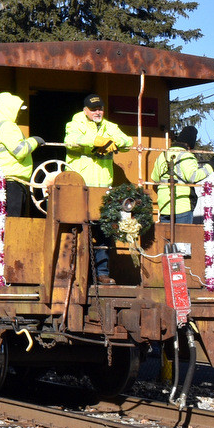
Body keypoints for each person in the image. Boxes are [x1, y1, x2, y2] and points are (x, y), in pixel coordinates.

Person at [64, 93, 133, 284]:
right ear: (85, 110)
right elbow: (71, 139)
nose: (97, 112)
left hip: (103, 190)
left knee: (103, 232)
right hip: (80, 188)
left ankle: (102, 273)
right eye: (93, 109)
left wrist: (114, 142)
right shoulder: (75, 123)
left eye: (100, 108)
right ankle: (75, 272)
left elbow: (128, 141)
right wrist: (96, 141)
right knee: (78, 230)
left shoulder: (109, 126)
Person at [0, 91, 45, 218]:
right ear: (9, 109)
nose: (19, 114)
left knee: (3, 220)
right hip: (11, 182)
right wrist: (35, 141)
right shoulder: (7, 127)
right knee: (13, 222)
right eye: (18, 110)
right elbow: (20, 150)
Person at [150, 126, 213, 225]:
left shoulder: (162, 155)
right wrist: (210, 167)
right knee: (182, 239)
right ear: (190, 143)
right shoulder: (186, 155)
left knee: (165, 238)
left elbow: (154, 178)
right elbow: (193, 177)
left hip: (164, 206)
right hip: (182, 206)